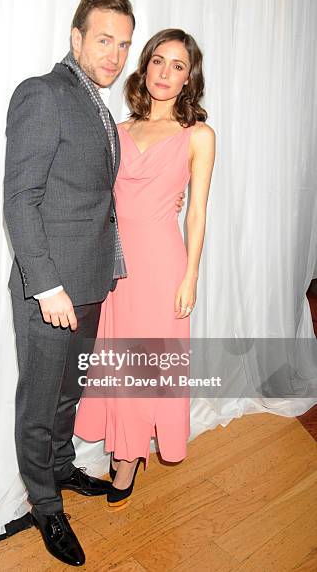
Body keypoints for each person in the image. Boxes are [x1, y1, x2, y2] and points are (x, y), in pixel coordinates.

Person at [4, 0, 185, 566]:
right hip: (50, 290)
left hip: (92, 283)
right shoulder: (44, 94)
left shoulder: (103, 110)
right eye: (104, 40)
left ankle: (60, 468)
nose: (115, 54)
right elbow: (21, 199)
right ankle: (44, 505)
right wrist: (46, 284)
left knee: (68, 391)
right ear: (77, 38)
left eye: (124, 44)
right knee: (39, 398)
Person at [74, 28, 216, 509]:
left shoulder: (198, 136)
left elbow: (196, 211)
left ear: (188, 78)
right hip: (116, 263)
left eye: (179, 65)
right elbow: (98, 198)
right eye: (159, 60)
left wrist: (191, 275)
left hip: (162, 263)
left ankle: (130, 458)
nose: (166, 72)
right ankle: (124, 444)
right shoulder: (117, 130)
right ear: (146, 66)